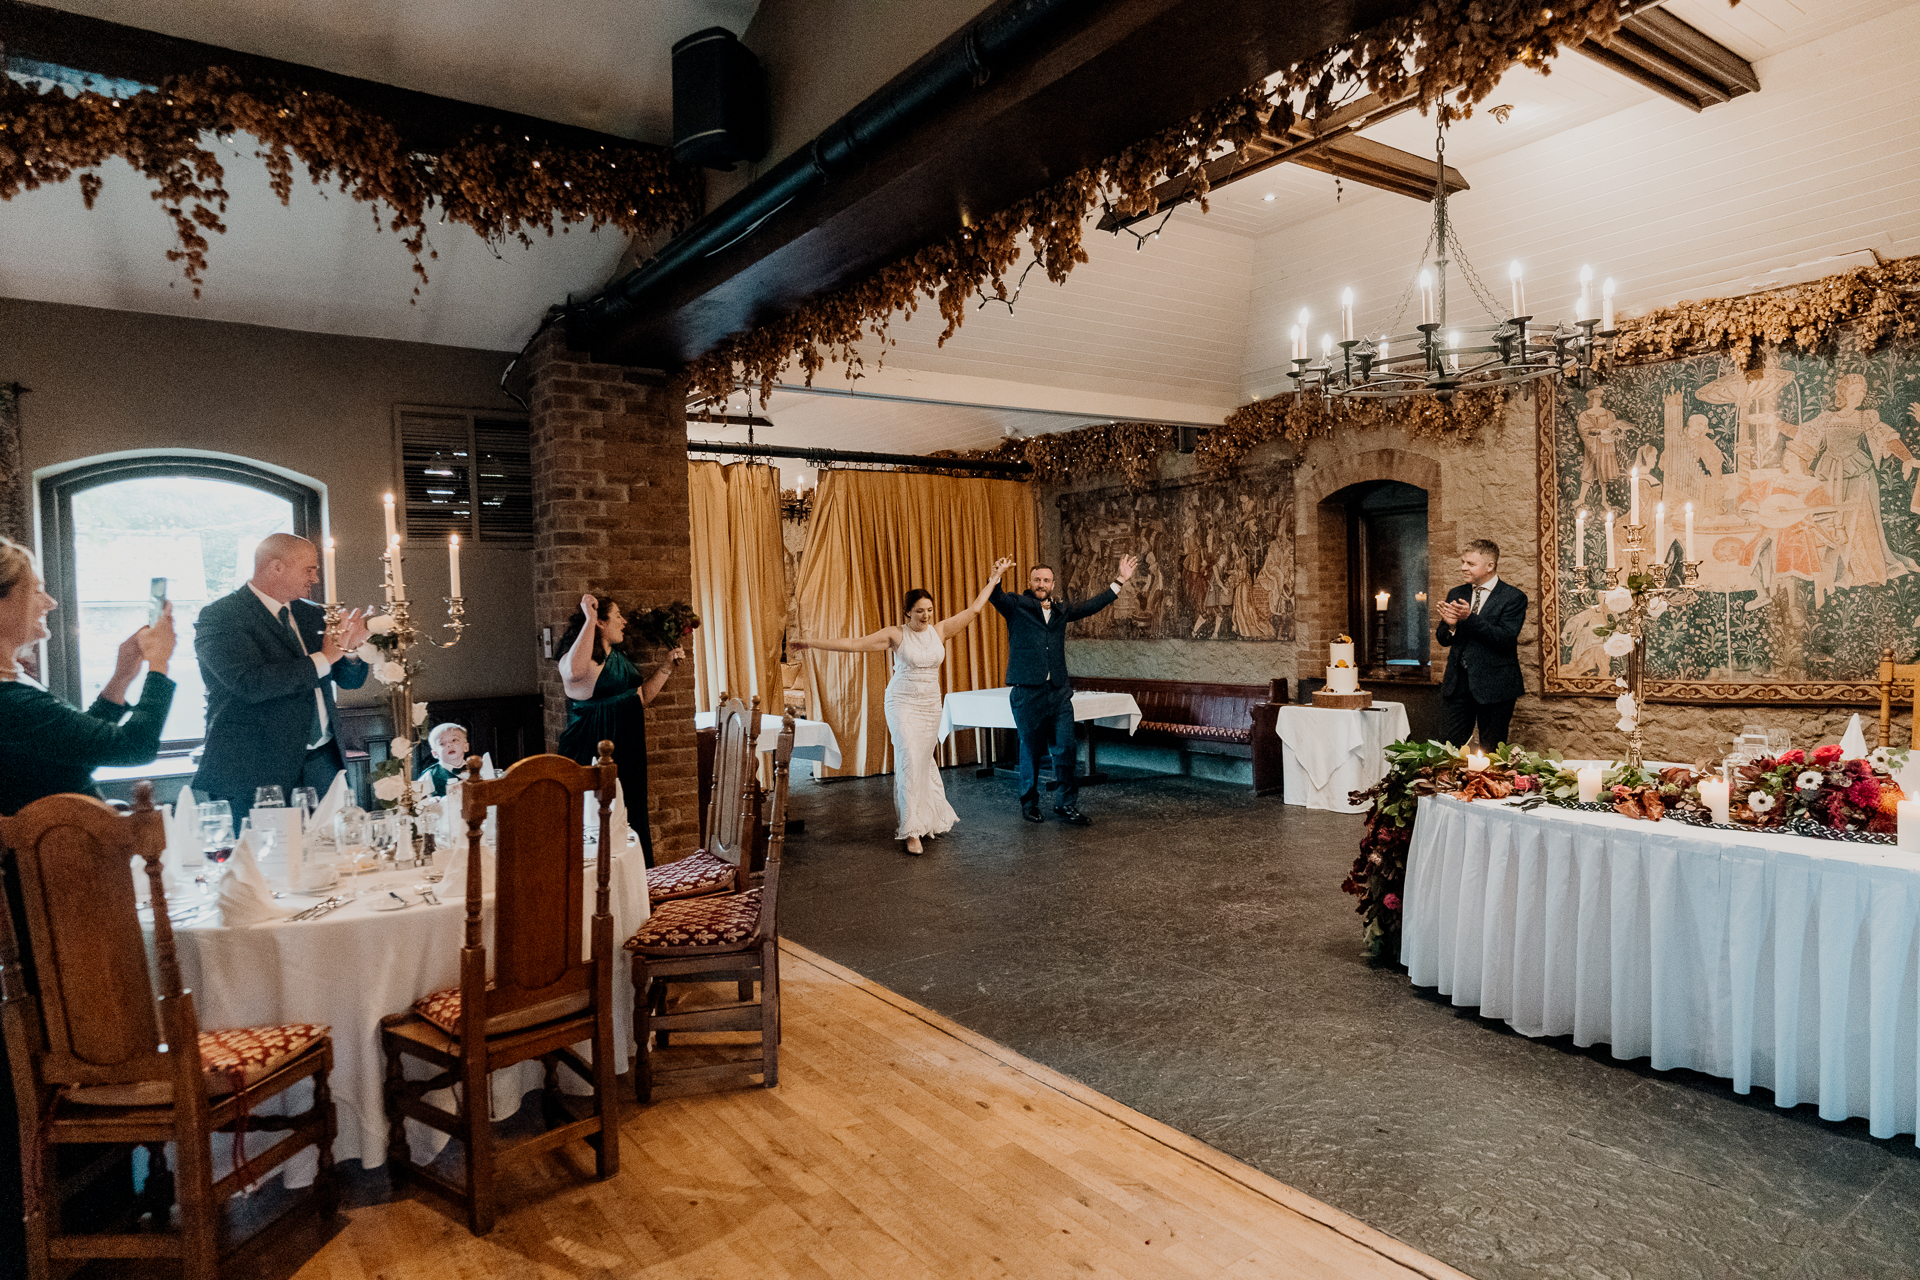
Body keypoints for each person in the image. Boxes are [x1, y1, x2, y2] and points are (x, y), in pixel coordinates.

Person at [0, 536, 178, 1276]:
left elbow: (72, 758)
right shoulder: (7, 699)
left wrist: (121, 673)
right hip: (46, 906)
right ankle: (78, 1203)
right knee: (81, 1031)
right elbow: (131, 749)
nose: (48, 601)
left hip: (53, 900)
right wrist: (163, 669)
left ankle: (99, 1193)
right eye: (35, 589)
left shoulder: (14, 691)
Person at [792, 558, 1015, 854]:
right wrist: (811, 643)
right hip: (902, 702)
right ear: (907, 612)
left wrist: (995, 577)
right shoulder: (896, 634)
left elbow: (975, 609)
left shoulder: (941, 630)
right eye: (919, 611)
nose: (925, 615)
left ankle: (928, 818)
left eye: (929, 610)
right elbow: (854, 644)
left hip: (930, 704)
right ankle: (911, 831)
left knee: (922, 760)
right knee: (908, 756)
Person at [191, 533, 371, 822]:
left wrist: (350, 651)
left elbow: (349, 680)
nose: (314, 578)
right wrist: (325, 657)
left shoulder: (313, 616)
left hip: (323, 761)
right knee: (266, 862)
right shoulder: (221, 616)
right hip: (257, 767)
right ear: (276, 567)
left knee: (331, 858)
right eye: (308, 569)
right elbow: (249, 683)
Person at [992, 555, 1137, 826]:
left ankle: (1066, 805)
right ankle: (1030, 803)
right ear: (1029, 582)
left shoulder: (1060, 609)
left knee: (1065, 750)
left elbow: (1091, 606)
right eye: (1037, 580)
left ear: (1053, 584)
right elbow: (995, 597)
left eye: (1046, 580)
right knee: (1031, 750)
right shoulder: (1016, 605)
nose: (1041, 584)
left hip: (1058, 692)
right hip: (1027, 691)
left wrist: (1120, 581)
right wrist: (996, 576)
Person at [557, 593, 684, 866]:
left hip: (627, 747)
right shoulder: (581, 659)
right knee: (595, 817)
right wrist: (590, 619)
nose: (624, 621)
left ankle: (635, 884)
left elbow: (641, 698)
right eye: (617, 616)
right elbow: (573, 674)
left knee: (630, 812)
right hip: (591, 746)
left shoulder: (617, 657)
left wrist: (666, 666)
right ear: (601, 622)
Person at [1435, 539, 1527, 751]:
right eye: (1462, 562)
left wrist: (1469, 618)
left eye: (1470, 563)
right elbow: (1443, 638)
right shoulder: (1457, 593)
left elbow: (1505, 638)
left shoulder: (1513, 597)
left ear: (1490, 566)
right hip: (1457, 685)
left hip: (1495, 686)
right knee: (1447, 749)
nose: (1463, 567)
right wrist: (1451, 627)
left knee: (1491, 752)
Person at [417, 721, 469, 797]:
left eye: (454, 740)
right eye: (442, 743)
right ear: (435, 754)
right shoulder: (430, 775)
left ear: (466, 747)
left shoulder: (479, 769)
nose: (449, 744)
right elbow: (418, 799)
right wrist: (431, 801)